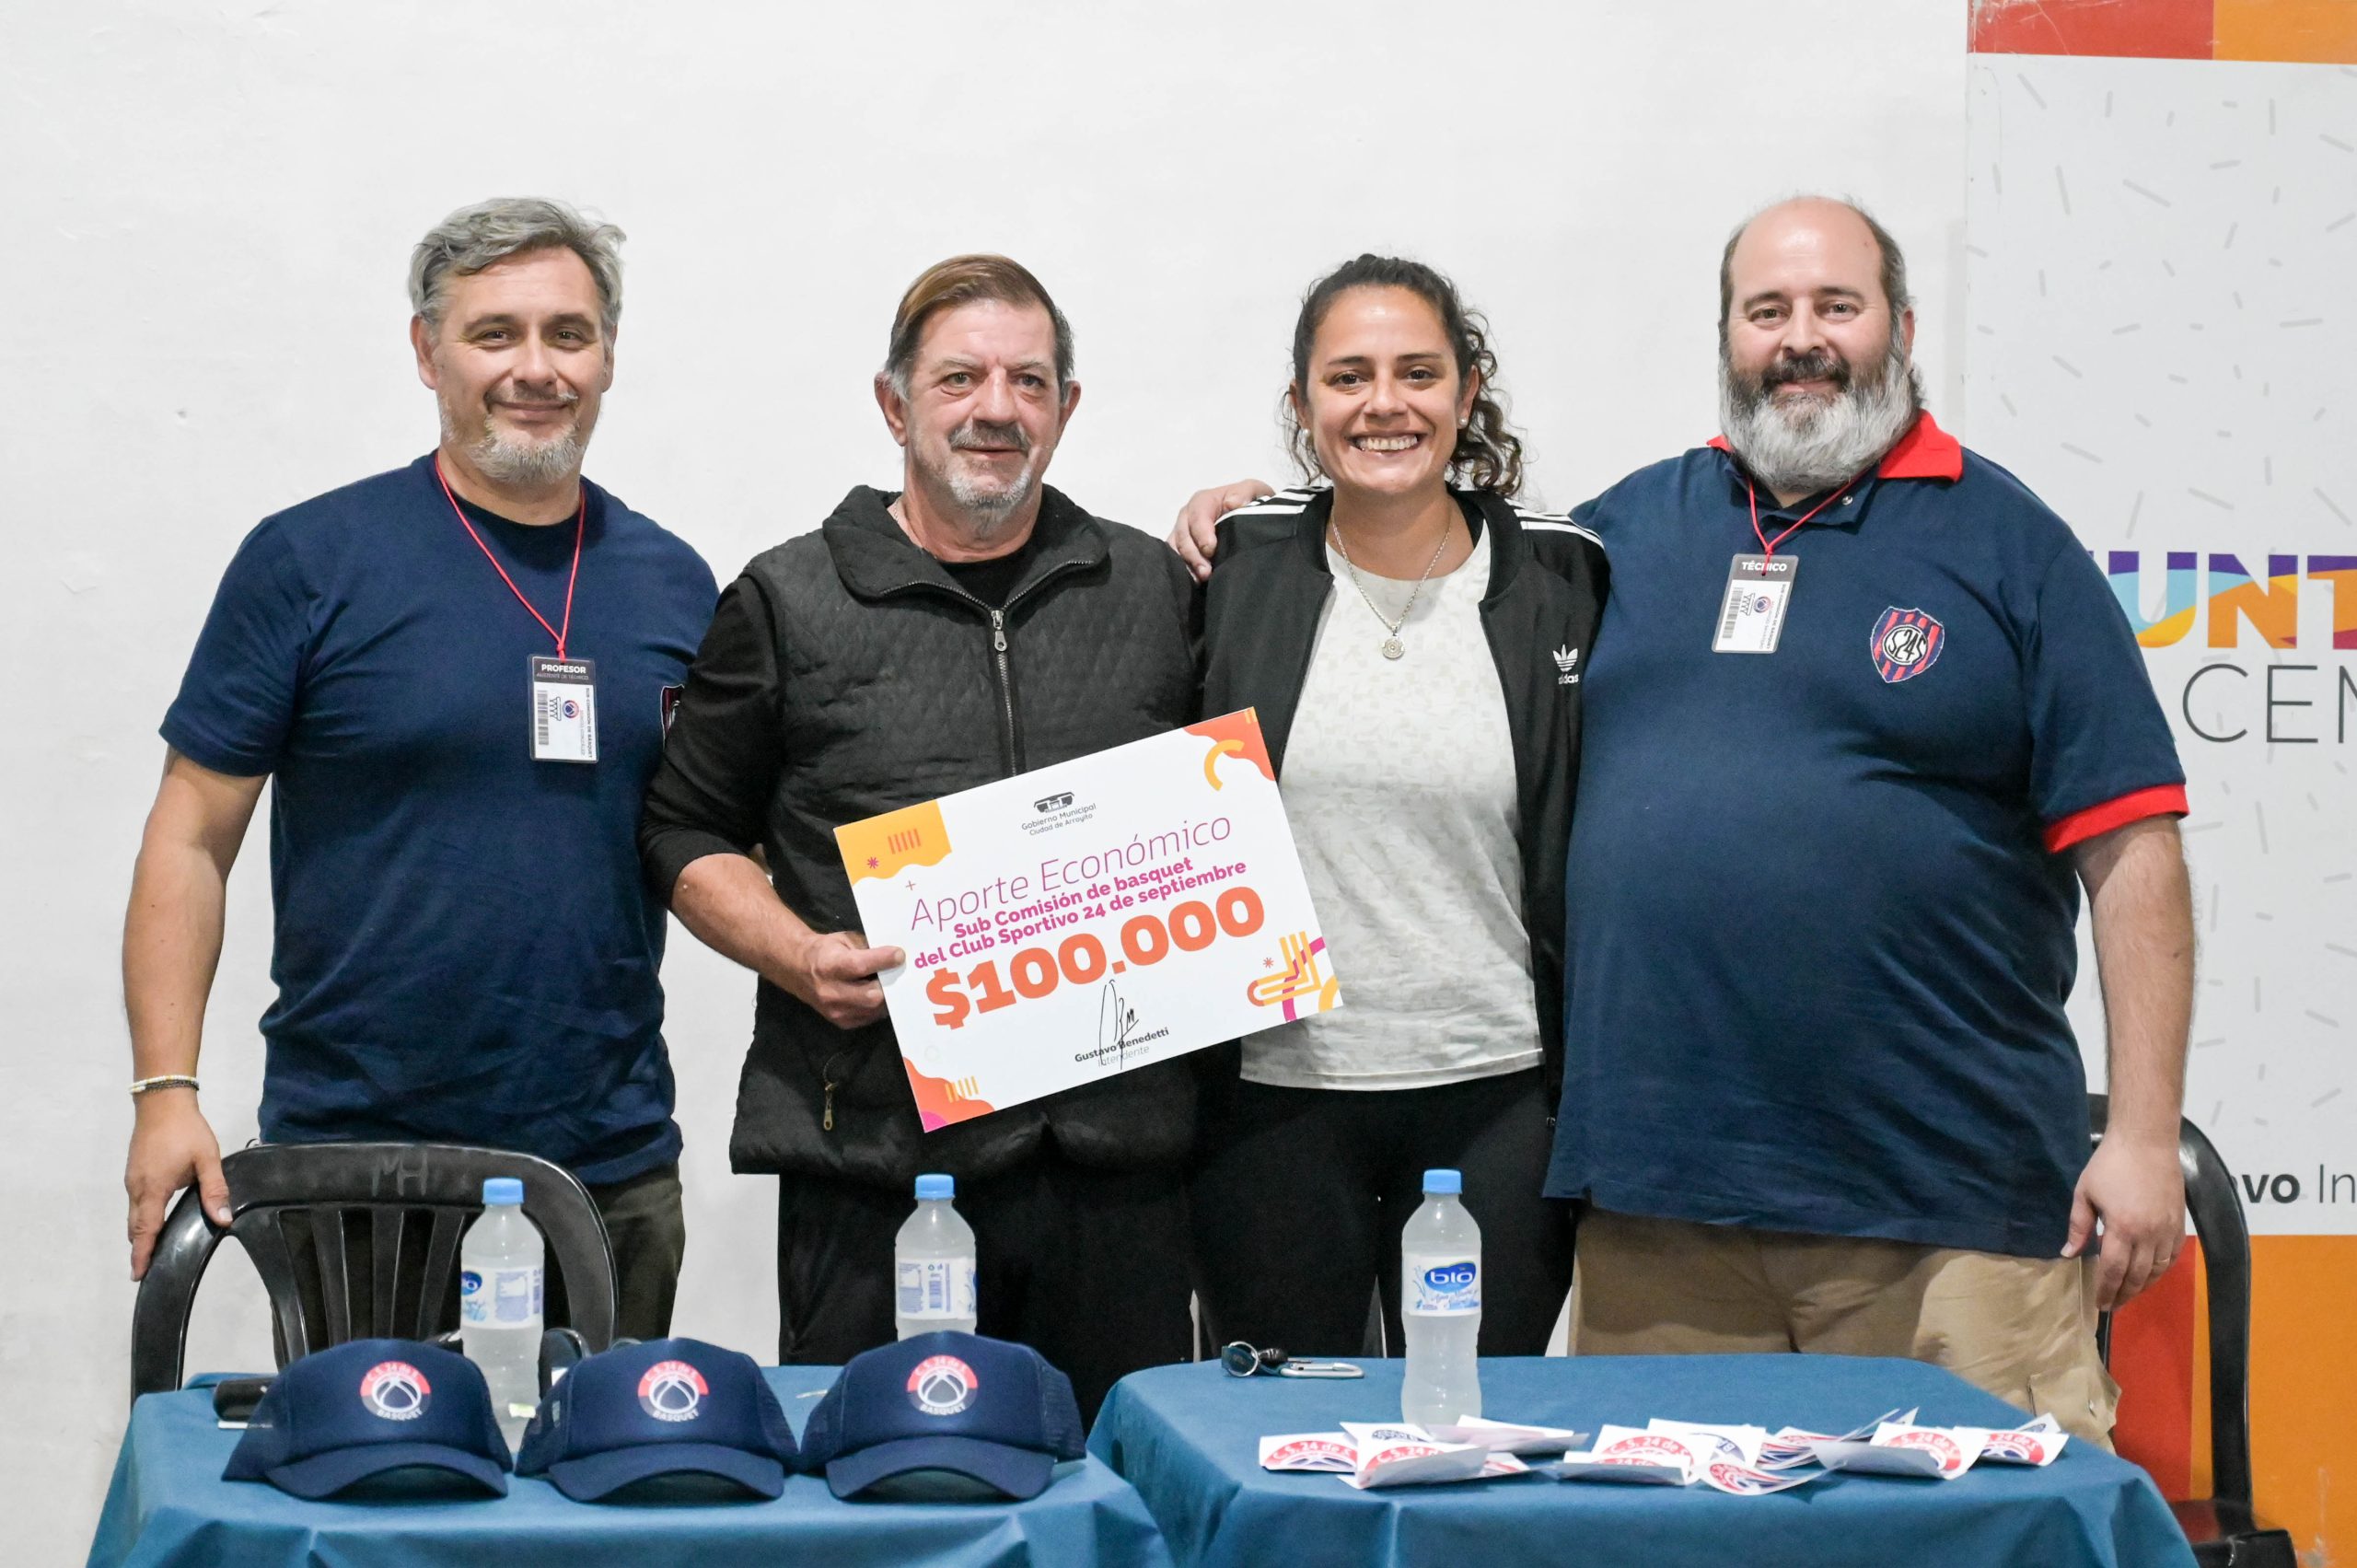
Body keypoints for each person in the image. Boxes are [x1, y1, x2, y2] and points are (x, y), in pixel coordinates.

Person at [1167, 199, 2191, 1446]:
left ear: (1904, 328)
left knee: (1974, 1523)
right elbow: (1420, 532)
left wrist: (2143, 1135)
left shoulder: (2011, 545)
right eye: (1767, 311)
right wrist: (1247, 518)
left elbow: (2135, 844)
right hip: (1665, 1212)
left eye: (1836, 306)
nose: (1800, 339)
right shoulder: (1624, 538)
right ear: (1726, 337)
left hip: (1943, 1203)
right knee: (1653, 1522)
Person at [125, 197, 715, 1342]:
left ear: (606, 356)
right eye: (495, 333)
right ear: (426, 350)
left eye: (568, 334)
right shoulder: (310, 561)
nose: (535, 367)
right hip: (361, 1165)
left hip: (611, 1165)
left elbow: (715, 839)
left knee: (606, 1460)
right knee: (375, 1459)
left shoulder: (674, 582)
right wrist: (166, 1091)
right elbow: (190, 834)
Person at [637, 254, 1199, 1419]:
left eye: (1028, 381)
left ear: (1065, 407)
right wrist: (797, 954)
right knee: (886, 1483)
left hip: (1120, 1167)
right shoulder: (789, 599)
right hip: (878, 1159)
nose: (996, 408)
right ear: (894, 405)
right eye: (958, 378)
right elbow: (684, 827)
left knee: (1118, 1482)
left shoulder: (1151, 587)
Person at [1187, 256, 1604, 1360]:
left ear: (1467, 392)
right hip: (1273, 1096)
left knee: (1471, 1422)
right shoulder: (1233, 566)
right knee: (1282, 1423)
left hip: (1496, 1093)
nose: (1384, 404)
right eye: (1348, 376)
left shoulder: (1565, 576)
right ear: (1301, 403)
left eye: (1418, 373)